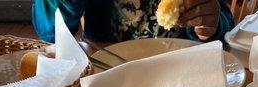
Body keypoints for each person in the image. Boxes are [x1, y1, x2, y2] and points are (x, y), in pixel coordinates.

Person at [32, 0, 234, 44]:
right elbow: (50, 33)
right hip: (104, 71)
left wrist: (210, 28)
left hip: (178, 71)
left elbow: (223, 24)